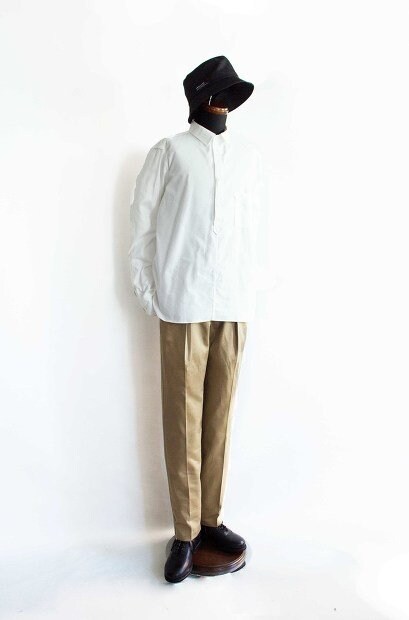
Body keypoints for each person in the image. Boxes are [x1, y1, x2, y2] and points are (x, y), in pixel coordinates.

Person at [129, 56, 271, 583]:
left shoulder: (249, 158)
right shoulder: (169, 152)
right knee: (182, 418)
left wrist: (253, 284)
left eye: (231, 95)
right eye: (218, 94)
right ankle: (185, 532)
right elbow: (142, 223)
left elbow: (253, 227)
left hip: (233, 300)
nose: (224, 105)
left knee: (219, 417)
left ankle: (211, 520)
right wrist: (147, 286)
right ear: (199, 98)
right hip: (183, 298)